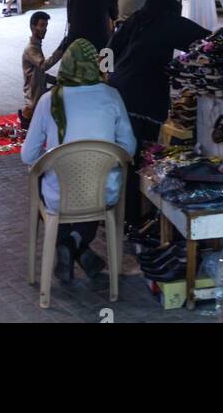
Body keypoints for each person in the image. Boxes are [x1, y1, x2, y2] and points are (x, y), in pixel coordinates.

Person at [20, 38, 136, 285]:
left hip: (60, 196)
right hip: (103, 194)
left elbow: (28, 156)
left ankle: (67, 244)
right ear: (95, 66)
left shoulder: (49, 100)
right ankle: (77, 246)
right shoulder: (112, 96)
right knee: (93, 190)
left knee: (41, 183)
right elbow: (129, 148)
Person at [109, 0, 210, 223]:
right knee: (139, 155)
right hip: (144, 96)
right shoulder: (169, 21)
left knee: (123, 154)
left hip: (116, 92)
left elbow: (110, 48)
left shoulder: (137, 17)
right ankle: (133, 218)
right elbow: (207, 40)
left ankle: (118, 213)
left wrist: (107, 76)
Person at [20, 11, 60, 126]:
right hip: (34, 98)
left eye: (46, 26)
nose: (45, 29)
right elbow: (44, 66)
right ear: (33, 27)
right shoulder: (31, 49)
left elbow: (39, 74)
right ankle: (27, 118)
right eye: (42, 25)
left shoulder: (36, 46)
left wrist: (56, 80)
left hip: (39, 92)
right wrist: (61, 50)